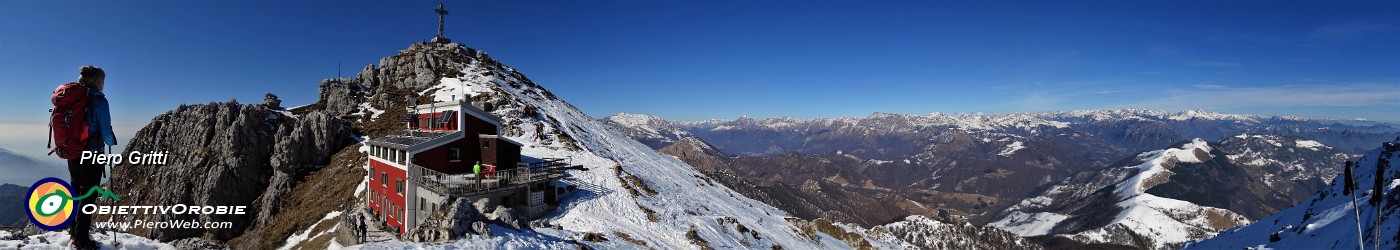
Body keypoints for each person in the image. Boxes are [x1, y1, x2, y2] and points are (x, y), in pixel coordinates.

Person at [69, 65, 115, 250]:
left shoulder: (73, 98)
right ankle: (82, 239)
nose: (104, 84)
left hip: (73, 153)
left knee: (75, 193)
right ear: (97, 81)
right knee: (87, 198)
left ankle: (73, 232)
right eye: (103, 80)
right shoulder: (99, 101)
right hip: (92, 155)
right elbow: (106, 134)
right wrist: (112, 139)